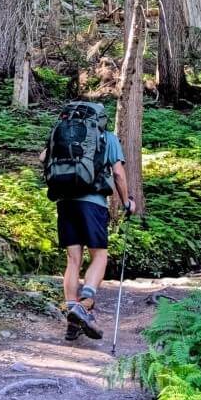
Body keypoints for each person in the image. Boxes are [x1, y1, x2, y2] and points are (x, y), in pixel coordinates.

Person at [45, 125, 134, 341]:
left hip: (65, 201)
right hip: (92, 203)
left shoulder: (61, 133)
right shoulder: (106, 137)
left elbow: (43, 157)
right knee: (99, 255)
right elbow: (119, 174)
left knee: (73, 260)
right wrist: (126, 201)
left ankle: (72, 318)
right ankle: (85, 304)